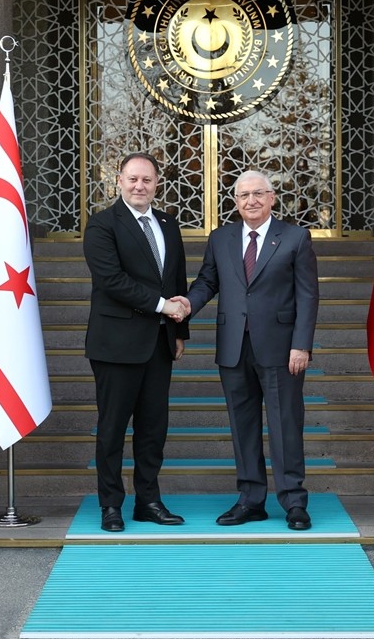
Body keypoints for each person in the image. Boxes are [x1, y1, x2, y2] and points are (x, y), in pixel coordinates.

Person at [176, 170, 319, 530]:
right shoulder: (220, 238)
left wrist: (301, 344)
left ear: (272, 198)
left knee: (286, 424)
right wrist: (188, 305)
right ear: (235, 201)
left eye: (258, 193)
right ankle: (251, 499)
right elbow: (208, 280)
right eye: (243, 195)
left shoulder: (296, 237)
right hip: (234, 347)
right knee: (243, 427)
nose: (251, 201)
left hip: (282, 349)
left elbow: (307, 294)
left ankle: (293, 501)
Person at [83, 152, 191, 532]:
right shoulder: (102, 225)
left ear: (157, 184)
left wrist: (179, 331)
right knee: (112, 429)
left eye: (146, 180)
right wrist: (165, 307)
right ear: (119, 181)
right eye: (132, 179)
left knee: (152, 429)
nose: (139, 186)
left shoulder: (167, 223)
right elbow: (112, 282)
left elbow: (175, 279)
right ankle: (110, 505)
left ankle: (148, 500)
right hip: (115, 345)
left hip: (159, 344)